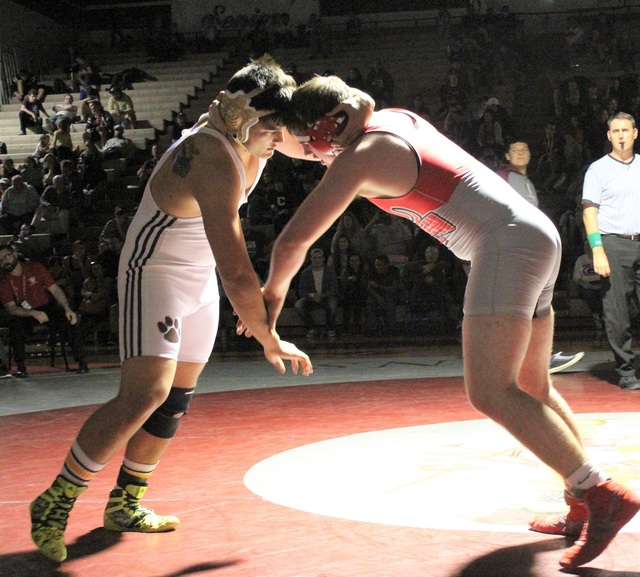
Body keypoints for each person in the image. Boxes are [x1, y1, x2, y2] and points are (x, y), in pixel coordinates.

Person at [261, 75, 640, 570]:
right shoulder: (388, 120)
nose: (300, 151)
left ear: (323, 128)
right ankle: (579, 502)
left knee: (490, 390)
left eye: (294, 138)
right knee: (533, 385)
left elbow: (292, 243)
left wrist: (267, 305)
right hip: (533, 234)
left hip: (505, 244)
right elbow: (351, 105)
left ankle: (601, 494)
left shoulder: (362, 155)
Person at [28, 56, 371, 564]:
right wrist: (267, 335)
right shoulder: (211, 157)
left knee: (174, 400)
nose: (283, 143)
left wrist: (355, 113)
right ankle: (54, 501)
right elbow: (237, 270)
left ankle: (126, 503)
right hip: (157, 273)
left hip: (197, 276)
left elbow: (321, 133)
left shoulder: (255, 129)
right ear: (246, 119)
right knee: (144, 393)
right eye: (274, 131)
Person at [497, 138, 585, 374]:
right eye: (514, 150)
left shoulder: (523, 180)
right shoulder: (505, 178)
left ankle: (530, 357)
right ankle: (536, 358)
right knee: (528, 304)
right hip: (516, 251)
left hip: (523, 249)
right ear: (507, 156)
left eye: (524, 149)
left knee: (529, 304)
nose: (520, 153)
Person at [582, 111, 640, 390]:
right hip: (614, 244)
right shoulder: (598, 169)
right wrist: (598, 250)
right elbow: (589, 212)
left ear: (635, 133)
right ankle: (626, 370)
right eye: (615, 131)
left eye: (625, 130)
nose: (620, 135)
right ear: (609, 136)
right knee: (617, 311)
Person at [0, 243, 88, 378]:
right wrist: (33, 313)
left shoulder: (34, 267)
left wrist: (67, 308)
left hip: (46, 307)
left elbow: (55, 289)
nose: (5, 261)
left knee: (70, 320)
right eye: (1, 260)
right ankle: (21, 367)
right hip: (25, 312)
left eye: (7, 256)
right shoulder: (4, 281)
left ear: (15, 255)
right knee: (16, 325)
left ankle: (81, 361)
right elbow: (11, 308)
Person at [295, 247, 339, 338]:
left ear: (323, 258)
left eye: (319, 258)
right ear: (311, 259)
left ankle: (330, 329)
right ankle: (311, 328)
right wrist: (312, 295)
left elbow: (334, 288)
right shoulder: (305, 273)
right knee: (299, 304)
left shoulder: (330, 271)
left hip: (326, 297)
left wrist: (322, 295)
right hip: (311, 299)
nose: (317, 260)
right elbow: (301, 290)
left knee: (332, 303)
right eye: (314, 258)